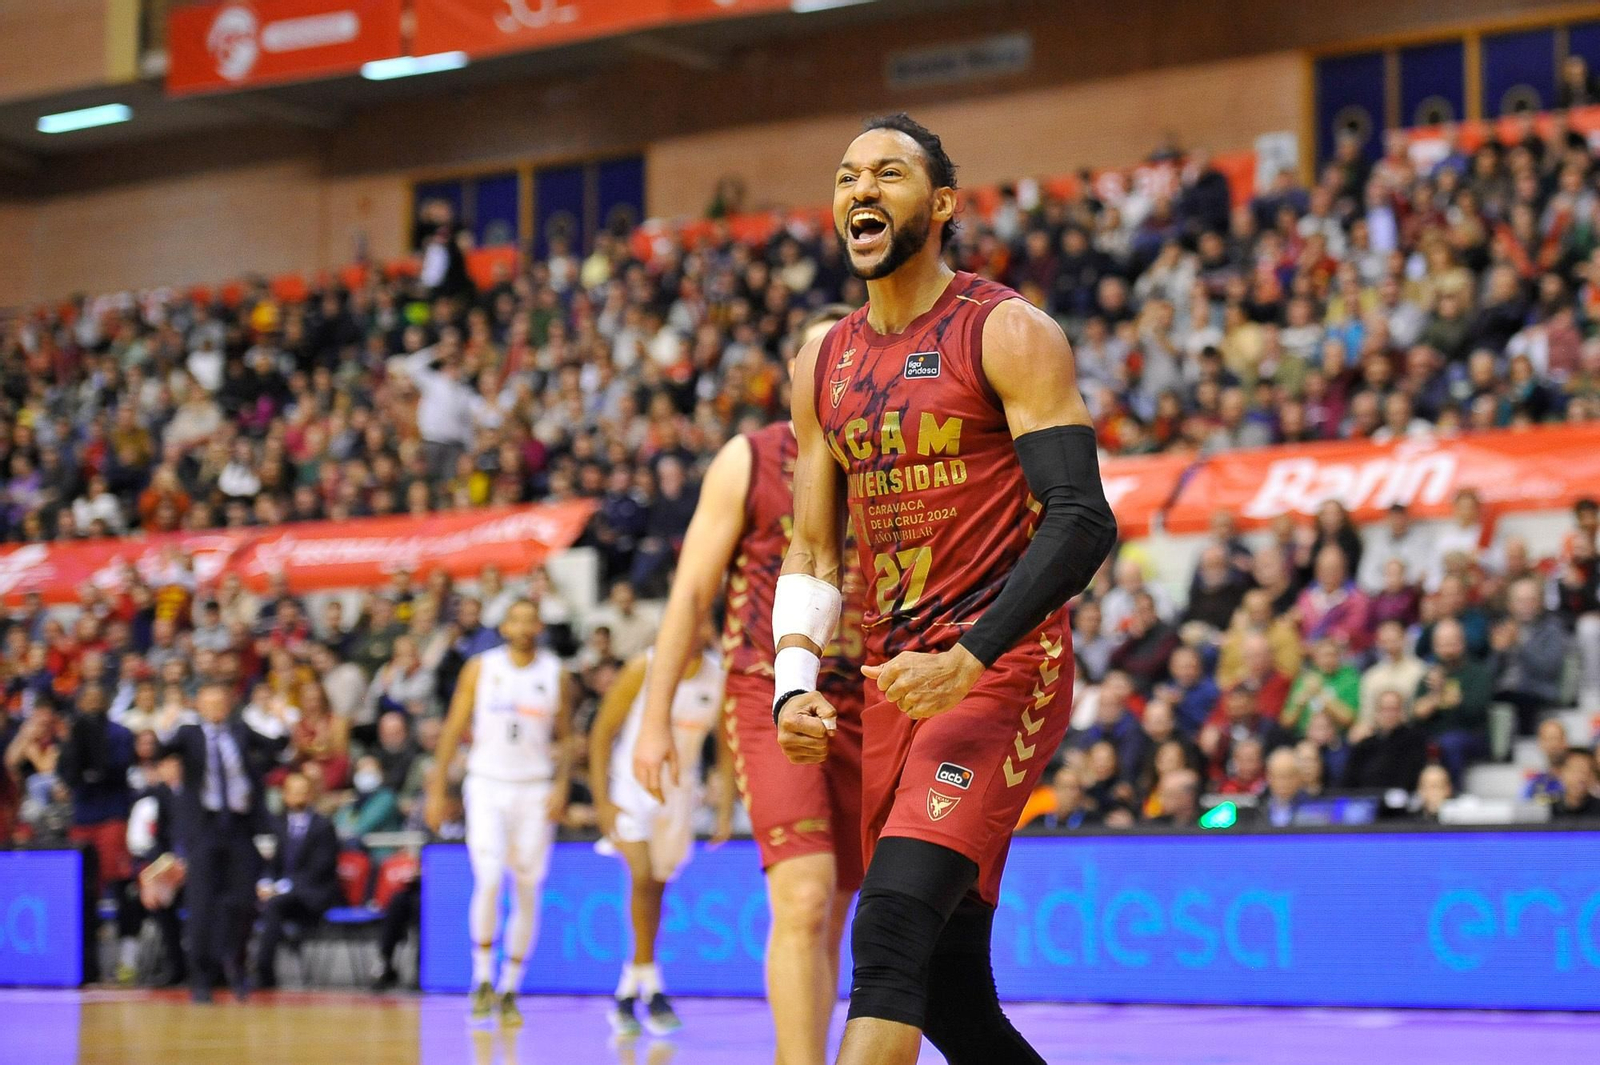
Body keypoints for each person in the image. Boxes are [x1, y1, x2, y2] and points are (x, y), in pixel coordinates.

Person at [773, 114, 1116, 1065]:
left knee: (885, 932)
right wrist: (790, 681)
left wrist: (972, 658)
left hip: (1000, 668)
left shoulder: (1005, 330)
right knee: (954, 993)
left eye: (887, 173)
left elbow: (1083, 518)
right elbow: (810, 550)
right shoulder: (822, 361)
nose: (860, 191)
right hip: (896, 682)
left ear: (943, 204)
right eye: (846, 178)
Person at [632, 305, 865, 1065]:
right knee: (801, 896)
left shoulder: (890, 459)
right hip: (771, 693)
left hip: (873, 700)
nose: (828, 367)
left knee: (834, 911)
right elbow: (692, 594)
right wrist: (655, 718)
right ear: (793, 373)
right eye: (814, 356)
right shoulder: (749, 457)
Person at [425, 600, 574, 1027]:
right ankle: (482, 979)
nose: (525, 626)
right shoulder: (481, 667)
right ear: (505, 626)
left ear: (540, 625)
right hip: (486, 784)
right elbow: (453, 727)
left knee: (527, 887)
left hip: (534, 787)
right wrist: (438, 790)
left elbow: (567, 737)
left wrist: (562, 785)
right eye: (517, 619)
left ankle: (511, 986)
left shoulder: (554, 673)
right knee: (489, 878)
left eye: (532, 619)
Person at [591, 621, 729, 1036]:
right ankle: (650, 986)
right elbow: (601, 734)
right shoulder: (643, 668)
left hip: (679, 793)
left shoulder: (718, 677)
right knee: (641, 875)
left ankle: (631, 991)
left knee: (657, 883)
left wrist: (724, 810)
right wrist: (602, 802)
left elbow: (725, 748)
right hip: (631, 786)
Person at [159, 682, 286, 1003]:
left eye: (221, 700)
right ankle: (201, 978)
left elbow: (276, 747)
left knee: (243, 901)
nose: (216, 707)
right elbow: (159, 750)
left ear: (229, 704)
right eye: (209, 701)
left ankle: (237, 969)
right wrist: (164, 726)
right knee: (201, 904)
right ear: (198, 705)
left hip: (241, 828)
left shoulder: (240, 731)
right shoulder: (189, 733)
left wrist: (280, 718)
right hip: (204, 829)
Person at [253, 772, 341, 990]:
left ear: (311, 794)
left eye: (304, 790)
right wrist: (265, 883)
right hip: (284, 895)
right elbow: (272, 864)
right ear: (284, 795)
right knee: (245, 902)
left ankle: (264, 972)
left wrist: (281, 888)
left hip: (313, 895)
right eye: (294, 791)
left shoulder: (323, 826)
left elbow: (320, 869)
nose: (299, 795)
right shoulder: (277, 825)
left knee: (274, 905)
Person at [1412, 619, 1492, 787]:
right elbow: (1416, 714)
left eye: (1452, 644)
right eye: (1442, 645)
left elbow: (1476, 710)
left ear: (1462, 643)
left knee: (1450, 743)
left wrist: (1446, 691)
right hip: (1434, 735)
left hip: (1471, 735)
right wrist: (1435, 695)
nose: (1447, 650)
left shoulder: (1478, 673)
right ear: (1434, 647)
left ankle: (1454, 792)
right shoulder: (1429, 676)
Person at [1342, 690, 1429, 791]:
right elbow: (1348, 782)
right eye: (1385, 709)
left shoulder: (1415, 740)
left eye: (1394, 709)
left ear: (1402, 711)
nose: (1389, 715)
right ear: (1377, 713)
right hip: (1367, 800)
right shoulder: (1364, 745)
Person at [1522, 718, 1571, 804]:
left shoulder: (1581, 776)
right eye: (1548, 739)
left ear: (1565, 741)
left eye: (1557, 738)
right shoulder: (1535, 783)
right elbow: (1524, 806)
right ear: (1540, 744)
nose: (1553, 745)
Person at [1551, 748, 1600, 820]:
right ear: (1560, 772)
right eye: (1575, 770)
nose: (1580, 777)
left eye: (1586, 771)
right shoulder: (1546, 811)